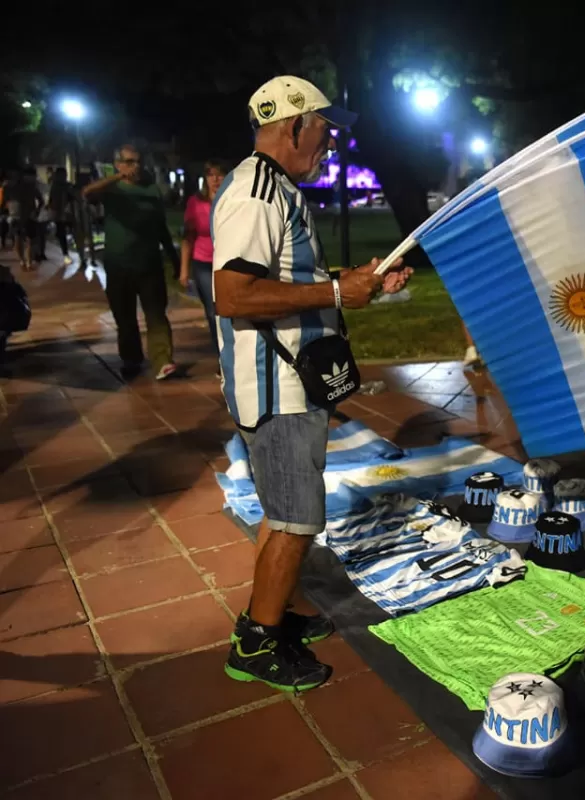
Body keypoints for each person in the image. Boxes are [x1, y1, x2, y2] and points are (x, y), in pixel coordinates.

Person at [212, 75, 411, 692]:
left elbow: (286, 279)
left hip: (286, 379)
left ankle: (279, 611)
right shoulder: (256, 192)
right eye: (324, 127)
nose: (330, 142)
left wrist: (351, 283)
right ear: (291, 124)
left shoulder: (279, 190)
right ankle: (257, 641)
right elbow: (233, 293)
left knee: (282, 508)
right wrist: (331, 291)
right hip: (277, 386)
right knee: (298, 517)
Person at [82, 145, 180, 380]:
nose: (134, 167)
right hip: (118, 265)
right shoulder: (112, 189)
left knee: (156, 315)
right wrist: (117, 177)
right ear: (118, 163)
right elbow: (86, 193)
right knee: (124, 317)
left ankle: (163, 360)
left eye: (137, 162)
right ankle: (131, 359)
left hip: (149, 264)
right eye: (128, 162)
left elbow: (161, 228)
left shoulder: (152, 190)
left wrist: (173, 258)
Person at [180, 160, 225, 355]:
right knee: (213, 310)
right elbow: (188, 237)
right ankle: (222, 356)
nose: (215, 179)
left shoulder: (233, 200)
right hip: (204, 262)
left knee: (232, 310)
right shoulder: (196, 202)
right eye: (211, 175)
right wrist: (184, 270)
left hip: (228, 262)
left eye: (219, 174)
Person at [6, 166, 43, 271]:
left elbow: (41, 201)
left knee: (31, 240)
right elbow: (7, 201)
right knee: (19, 240)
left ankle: (29, 262)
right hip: (17, 217)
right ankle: (22, 260)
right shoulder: (12, 187)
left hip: (29, 217)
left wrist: (36, 212)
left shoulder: (33, 187)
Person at [48, 167, 79, 266]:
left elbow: (75, 197)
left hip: (69, 214)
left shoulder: (68, 186)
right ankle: (66, 254)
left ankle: (77, 252)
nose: (62, 177)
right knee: (62, 235)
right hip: (60, 214)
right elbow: (52, 201)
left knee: (74, 233)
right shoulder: (55, 187)